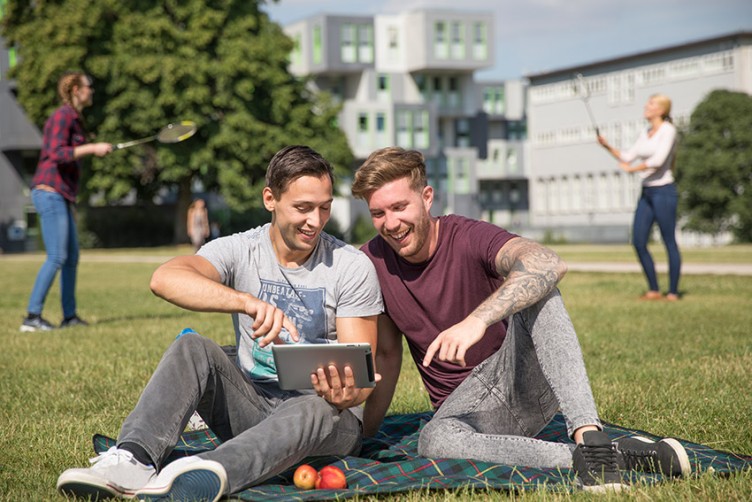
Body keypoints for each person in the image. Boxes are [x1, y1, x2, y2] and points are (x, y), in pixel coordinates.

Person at [351, 147, 690, 492]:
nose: (390, 224)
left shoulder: (467, 236)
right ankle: (606, 457)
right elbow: (387, 356)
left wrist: (477, 320)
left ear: (426, 198)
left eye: (399, 207)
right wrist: (363, 436)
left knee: (540, 289)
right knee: (433, 440)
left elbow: (549, 262)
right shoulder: (370, 262)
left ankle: (590, 436)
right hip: (461, 413)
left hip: (518, 383)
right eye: (378, 213)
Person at [56, 146, 383, 501]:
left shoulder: (350, 266)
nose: (316, 221)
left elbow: (361, 380)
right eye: (303, 208)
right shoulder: (241, 249)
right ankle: (133, 460)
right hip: (254, 405)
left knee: (313, 406)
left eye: (324, 207)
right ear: (270, 199)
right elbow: (165, 279)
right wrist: (246, 301)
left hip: (327, 423)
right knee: (192, 347)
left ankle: (210, 474)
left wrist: (347, 393)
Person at [20, 71, 113, 332]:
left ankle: (69, 316)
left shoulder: (75, 119)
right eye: (88, 86)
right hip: (49, 192)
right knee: (57, 256)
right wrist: (92, 148)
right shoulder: (63, 115)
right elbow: (56, 153)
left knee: (71, 257)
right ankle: (32, 317)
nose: (91, 91)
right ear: (75, 90)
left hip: (61, 194)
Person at [598, 94, 681, 301]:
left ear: (661, 110)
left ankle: (672, 292)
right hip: (647, 192)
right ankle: (653, 289)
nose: (646, 106)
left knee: (668, 240)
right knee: (638, 240)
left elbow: (658, 160)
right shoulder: (646, 132)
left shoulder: (668, 130)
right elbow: (627, 156)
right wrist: (606, 146)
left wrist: (632, 169)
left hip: (664, 191)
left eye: (651, 104)